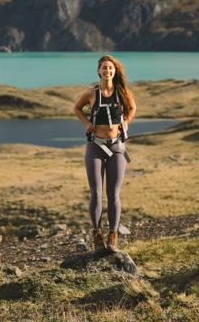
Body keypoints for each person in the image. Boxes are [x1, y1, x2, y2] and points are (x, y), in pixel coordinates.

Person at [73, 54, 136, 252]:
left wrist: (125, 123)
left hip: (117, 146)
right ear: (99, 71)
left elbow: (132, 108)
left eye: (111, 68)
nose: (107, 71)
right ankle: (97, 234)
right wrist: (87, 124)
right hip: (96, 146)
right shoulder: (92, 92)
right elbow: (76, 108)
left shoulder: (122, 91)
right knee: (96, 193)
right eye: (104, 68)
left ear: (115, 71)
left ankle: (113, 235)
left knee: (114, 194)